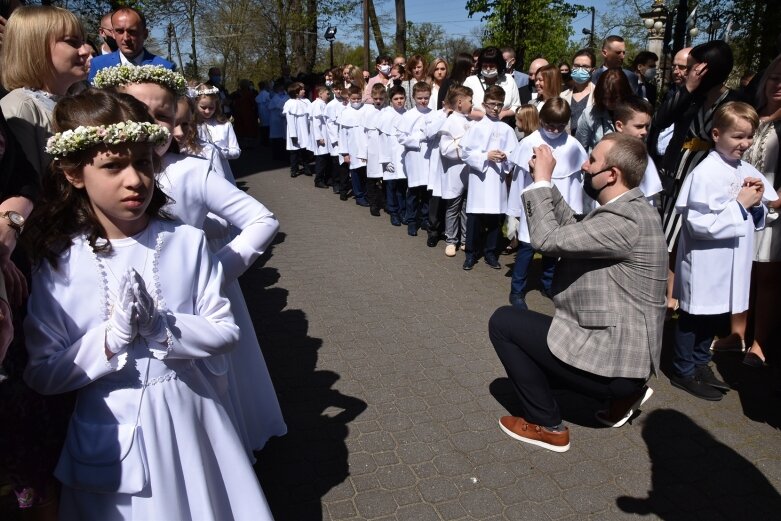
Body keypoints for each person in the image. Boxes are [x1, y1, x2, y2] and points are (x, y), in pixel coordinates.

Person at [22, 88, 273, 519]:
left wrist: (163, 328)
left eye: (142, 163)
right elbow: (43, 373)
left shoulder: (186, 242)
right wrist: (109, 338)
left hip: (192, 418)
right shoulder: (61, 262)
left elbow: (225, 330)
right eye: (113, 166)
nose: (135, 180)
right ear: (74, 174)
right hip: (111, 436)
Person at [94, 64, 287, 457]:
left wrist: (216, 270)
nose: (154, 126)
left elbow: (261, 219)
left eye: (163, 117)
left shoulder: (187, 172)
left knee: (205, 397)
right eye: (140, 113)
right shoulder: (99, 174)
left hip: (189, 315)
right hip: (121, 316)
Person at [489, 132, 667, 452]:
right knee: (538, 339)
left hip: (616, 363)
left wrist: (543, 181)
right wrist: (545, 184)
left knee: (504, 323)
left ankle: (547, 424)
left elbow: (546, 241)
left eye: (593, 160)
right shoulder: (634, 209)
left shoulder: (625, 220)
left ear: (612, 174)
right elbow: (575, 231)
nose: (584, 166)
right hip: (627, 361)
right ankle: (622, 397)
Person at [670, 102, 777, 400]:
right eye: (737, 137)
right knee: (693, 316)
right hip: (705, 261)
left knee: (714, 314)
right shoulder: (705, 172)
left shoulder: (745, 168)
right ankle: (683, 369)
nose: (744, 144)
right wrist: (741, 204)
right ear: (717, 134)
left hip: (730, 260)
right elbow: (699, 226)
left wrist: (757, 204)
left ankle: (700, 362)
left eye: (749, 137)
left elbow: (761, 213)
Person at [651, 40, 736, 313]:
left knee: (693, 237)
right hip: (679, 171)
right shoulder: (689, 94)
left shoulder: (734, 100)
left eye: (691, 67)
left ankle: (688, 295)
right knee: (670, 232)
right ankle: (669, 294)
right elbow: (660, 120)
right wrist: (687, 88)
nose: (687, 72)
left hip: (710, 175)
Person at [506, 98, 587, 310]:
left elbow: (575, 182)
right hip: (532, 207)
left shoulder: (572, 146)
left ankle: (547, 285)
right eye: (549, 125)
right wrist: (513, 212)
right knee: (526, 250)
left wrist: (575, 211)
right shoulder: (529, 142)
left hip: (557, 207)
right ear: (541, 120)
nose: (554, 130)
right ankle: (517, 291)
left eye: (560, 126)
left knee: (552, 250)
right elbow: (517, 181)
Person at [0, 5, 91, 178]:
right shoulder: (21, 108)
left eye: (84, 41)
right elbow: (26, 186)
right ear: (35, 48)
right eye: (72, 42)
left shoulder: (82, 98)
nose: (86, 50)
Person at [743, 53, 781, 369]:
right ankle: (735, 333)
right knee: (742, 271)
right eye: (774, 77)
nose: (778, 85)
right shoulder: (753, 115)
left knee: (767, 277)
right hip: (743, 202)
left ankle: (759, 342)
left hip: (773, 207)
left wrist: (776, 199)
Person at [460, 85, 517, 270]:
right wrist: (485, 156)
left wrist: (506, 157)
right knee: (475, 218)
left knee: (494, 219)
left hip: (498, 179)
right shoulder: (475, 127)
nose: (495, 108)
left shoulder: (507, 129)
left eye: (499, 104)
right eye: (492, 104)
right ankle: (471, 253)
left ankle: (491, 252)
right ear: (484, 104)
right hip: (480, 178)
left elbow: (514, 152)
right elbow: (465, 152)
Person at [87, 7, 175, 83]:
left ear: (145, 34)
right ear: (113, 34)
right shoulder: (98, 65)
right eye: (120, 31)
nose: (126, 38)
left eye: (132, 31)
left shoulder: (164, 68)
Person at [439, 85, 474, 256]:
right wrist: (463, 143)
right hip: (454, 171)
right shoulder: (450, 121)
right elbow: (445, 149)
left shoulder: (470, 121)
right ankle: (451, 240)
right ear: (460, 102)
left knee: (466, 207)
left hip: (468, 171)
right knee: (453, 207)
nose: (472, 104)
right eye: (470, 100)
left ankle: (465, 239)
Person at [397, 81, 437, 236]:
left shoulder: (434, 114)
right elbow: (401, 137)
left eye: (426, 98)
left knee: (427, 192)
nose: (423, 101)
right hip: (414, 157)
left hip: (429, 157)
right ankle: (412, 220)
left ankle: (426, 219)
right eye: (420, 98)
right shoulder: (408, 115)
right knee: (413, 192)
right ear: (413, 97)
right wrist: (418, 139)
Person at [612, 97, 664, 205]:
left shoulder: (644, 157)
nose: (644, 132)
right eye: (639, 126)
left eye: (647, 126)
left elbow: (649, 199)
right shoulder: (607, 154)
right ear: (619, 126)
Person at [648, 47, 691, 160]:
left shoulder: (700, 99)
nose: (676, 71)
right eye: (674, 66)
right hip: (657, 156)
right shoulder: (670, 93)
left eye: (682, 67)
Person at [575, 68, 633, 152]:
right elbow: (580, 148)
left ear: (625, 93)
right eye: (605, 98)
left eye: (615, 98)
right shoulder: (589, 114)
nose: (608, 103)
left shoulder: (636, 112)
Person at [337, 84, 373, 207]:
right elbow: (342, 135)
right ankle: (359, 196)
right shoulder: (345, 113)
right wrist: (345, 153)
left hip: (366, 146)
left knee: (367, 172)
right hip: (352, 148)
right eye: (353, 99)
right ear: (349, 98)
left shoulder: (368, 109)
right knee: (356, 172)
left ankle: (367, 193)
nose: (356, 101)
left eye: (358, 99)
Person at [463, 46, 521, 121]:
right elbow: (463, 108)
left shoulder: (509, 80)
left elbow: (516, 106)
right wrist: (485, 116)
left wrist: (503, 114)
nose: (488, 69)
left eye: (492, 66)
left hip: (502, 124)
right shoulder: (470, 81)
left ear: (499, 65)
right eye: (485, 66)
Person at [377, 85, 407, 226]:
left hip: (403, 157)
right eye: (396, 98)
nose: (399, 101)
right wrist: (385, 160)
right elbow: (382, 140)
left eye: (401, 98)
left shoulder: (407, 113)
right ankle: (393, 212)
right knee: (391, 186)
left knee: (402, 186)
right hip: (391, 157)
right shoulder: (386, 115)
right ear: (391, 100)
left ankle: (402, 211)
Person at [194, 82, 241, 160]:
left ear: (217, 106)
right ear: (195, 105)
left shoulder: (225, 124)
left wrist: (220, 153)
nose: (207, 111)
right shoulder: (192, 125)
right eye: (203, 107)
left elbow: (236, 151)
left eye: (211, 108)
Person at [364, 83, 388, 216]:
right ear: (372, 97)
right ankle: (373, 204)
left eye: (381, 99)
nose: (378, 101)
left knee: (385, 179)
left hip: (384, 150)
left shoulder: (388, 111)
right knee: (372, 178)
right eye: (376, 99)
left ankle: (385, 202)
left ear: (385, 97)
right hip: (372, 150)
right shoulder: (367, 112)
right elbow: (363, 134)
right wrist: (363, 153)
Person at [561, 49, 596, 135]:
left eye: (585, 66)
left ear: (593, 70)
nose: (580, 70)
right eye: (576, 66)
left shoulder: (598, 95)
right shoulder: (562, 95)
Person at [283, 82, 312, 178]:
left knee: (304, 150)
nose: (304, 91)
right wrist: (293, 135)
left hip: (304, 129)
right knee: (294, 152)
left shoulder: (306, 101)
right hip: (295, 130)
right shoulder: (289, 103)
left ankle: (306, 167)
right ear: (296, 92)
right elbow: (290, 121)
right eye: (301, 90)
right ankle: (294, 169)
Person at [309, 85, 332, 188]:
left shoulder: (322, 103)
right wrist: (319, 137)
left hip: (325, 135)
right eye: (327, 93)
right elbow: (316, 122)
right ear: (320, 94)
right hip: (321, 136)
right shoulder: (318, 105)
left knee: (325, 158)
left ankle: (326, 179)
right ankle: (318, 180)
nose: (328, 95)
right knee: (321, 159)